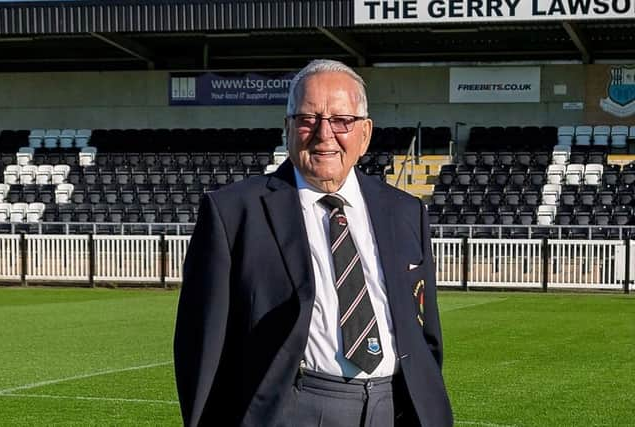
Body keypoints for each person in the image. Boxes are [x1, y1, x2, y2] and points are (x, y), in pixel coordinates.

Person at [174, 59, 452, 427]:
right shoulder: (233, 213)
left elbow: (426, 335)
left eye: (342, 121)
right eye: (308, 118)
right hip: (295, 410)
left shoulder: (406, 211)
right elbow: (200, 349)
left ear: (365, 133)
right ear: (287, 128)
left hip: (393, 407)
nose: (324, 134)